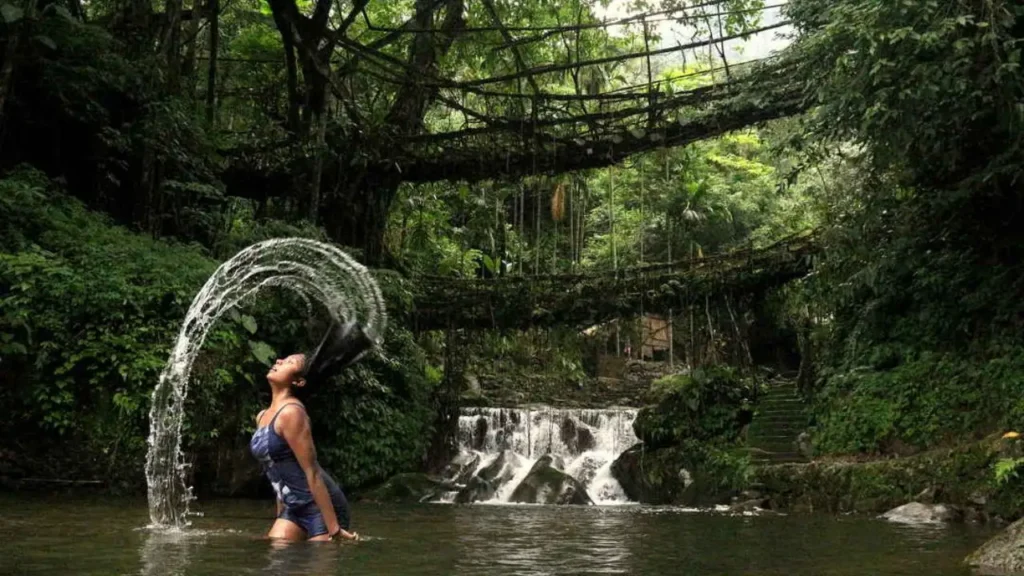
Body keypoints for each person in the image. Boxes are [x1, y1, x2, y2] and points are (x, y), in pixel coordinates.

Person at [249, 320, 373, 542]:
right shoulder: (262, 417)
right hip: (293, 506)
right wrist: (280, 516)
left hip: (320, 507)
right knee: (277, 559)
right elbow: (276, 470)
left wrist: (333, 529)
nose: (279, 361)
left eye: (289, 362)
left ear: (299, 382)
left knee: (315, 566)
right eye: (283, 359)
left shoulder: (292, 414)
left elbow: (312, 471)